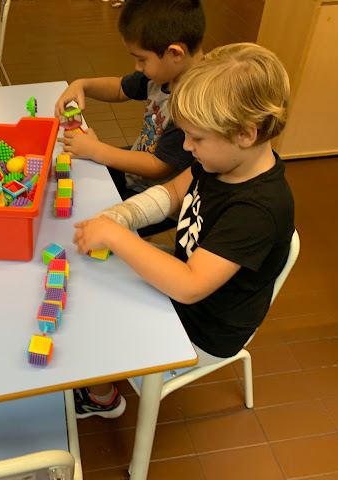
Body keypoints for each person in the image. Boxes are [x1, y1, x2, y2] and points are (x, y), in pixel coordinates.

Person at [71, 42, 295, 418]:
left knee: (94, 317)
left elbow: (190, 285)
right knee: (93, 277)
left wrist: (115, 236)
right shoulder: (222, 161)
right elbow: (173, 193)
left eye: (197, 138)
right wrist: (121, 217)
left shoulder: (257, 211)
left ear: (245, 134)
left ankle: (102, 397)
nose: (187, 147)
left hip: (202, 328)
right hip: (184, 285)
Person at [55, 0, 205, 237]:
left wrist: (96, 150)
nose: (137, 66)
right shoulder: (165, 73)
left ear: (175, 53)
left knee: (96, 227)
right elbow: (119, 88)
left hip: (159, 198)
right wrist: (82, 85)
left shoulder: (193, 104)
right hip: (138, 171)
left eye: (141, 59)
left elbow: (158, 166)